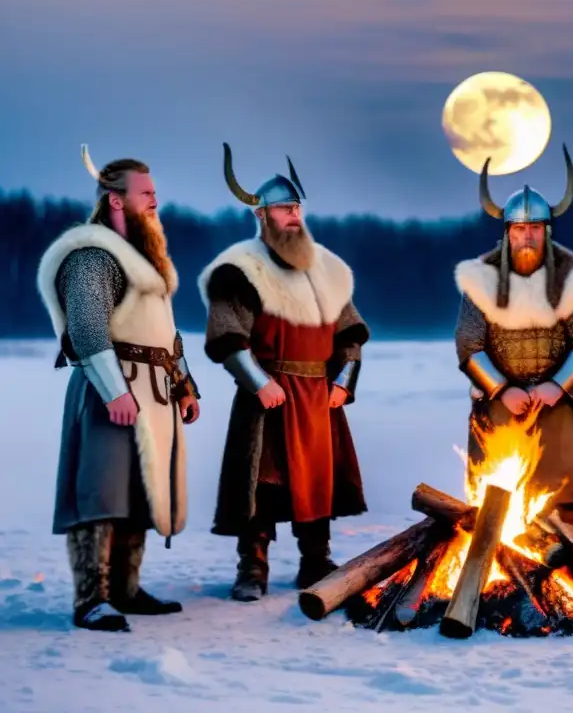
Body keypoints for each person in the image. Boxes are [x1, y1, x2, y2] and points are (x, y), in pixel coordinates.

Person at [36, 145, 199, 631]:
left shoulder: (145, 258)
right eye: (144, 193)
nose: (154, 200)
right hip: (110, 388)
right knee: (99, 495)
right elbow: (87, 330)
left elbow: (165, 333)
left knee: (139, 491)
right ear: (114, 200)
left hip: (154, 390)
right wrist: (115, 392)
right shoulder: (92, 255)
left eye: (154, 191)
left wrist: (186, 385)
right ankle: (92, 599)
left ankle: (126, 590)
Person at [199, 144, 370, 601]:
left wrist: (342, 382)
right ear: (261, 216)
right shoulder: (240, 271)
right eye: (283, 209)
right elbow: (227, 338)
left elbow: (350, 334)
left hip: (317, 394)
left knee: (316, 480)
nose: (294, 216)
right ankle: (252, 567)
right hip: (268, 392)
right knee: (263, 481)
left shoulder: (325, 269)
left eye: (296, 207)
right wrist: (259, 382)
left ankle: (316, 559)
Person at [454, 145, 573, 535]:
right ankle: (497, 575)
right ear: (507, 231)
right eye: (519, 229)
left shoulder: (571, 276)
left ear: (547, 231)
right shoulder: (481, 277)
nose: (527, 237)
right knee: (496, 503)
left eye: (534, 229)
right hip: (498, 403)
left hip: (555, 400)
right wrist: (502, 389)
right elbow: (469, 344)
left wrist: (557, 386)